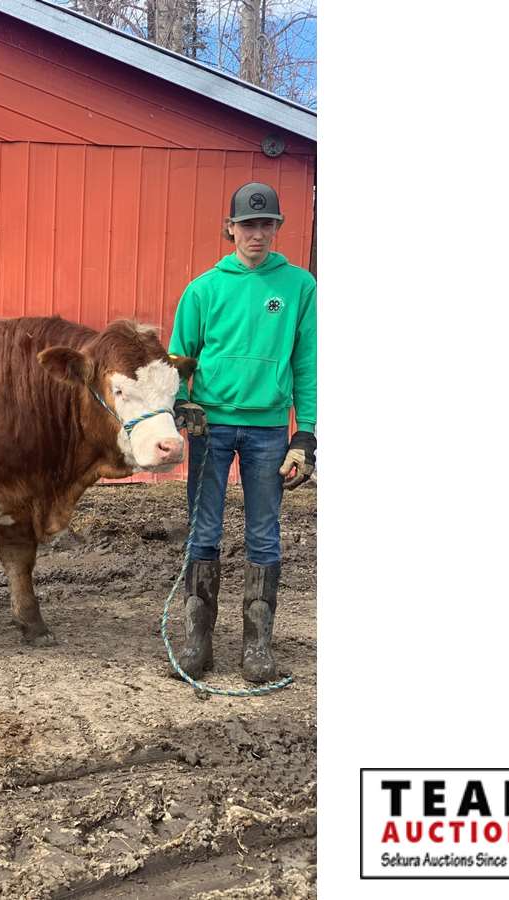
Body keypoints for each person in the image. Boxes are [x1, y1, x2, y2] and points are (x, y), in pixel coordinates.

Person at [167, 182, 316, 683]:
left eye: (266, 224)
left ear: (277, 228)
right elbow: (179, 357)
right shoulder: (203, 289)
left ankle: (257, 647)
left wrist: (305, 435)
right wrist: (182, 402)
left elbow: (307, 362)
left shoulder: (299, 287)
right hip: (211, 428)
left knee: (263, 534)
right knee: (203, 529)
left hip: (269, 430)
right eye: (248, 224)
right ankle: (197, 641)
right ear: (230, 228)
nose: (257, 233)